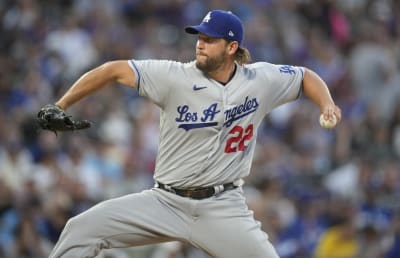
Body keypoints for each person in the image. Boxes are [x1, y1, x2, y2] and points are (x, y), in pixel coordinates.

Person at [45, 10, 341, 258]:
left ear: (231, 47)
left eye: (209, 39)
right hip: (164, 202)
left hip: (222, 207)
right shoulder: (174, 77)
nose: (200, 44)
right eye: (199, 37)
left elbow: (305, 77)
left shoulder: (260, 80)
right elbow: (112, 70)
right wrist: (61, 105)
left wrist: (327, 103)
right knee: (80, 230)